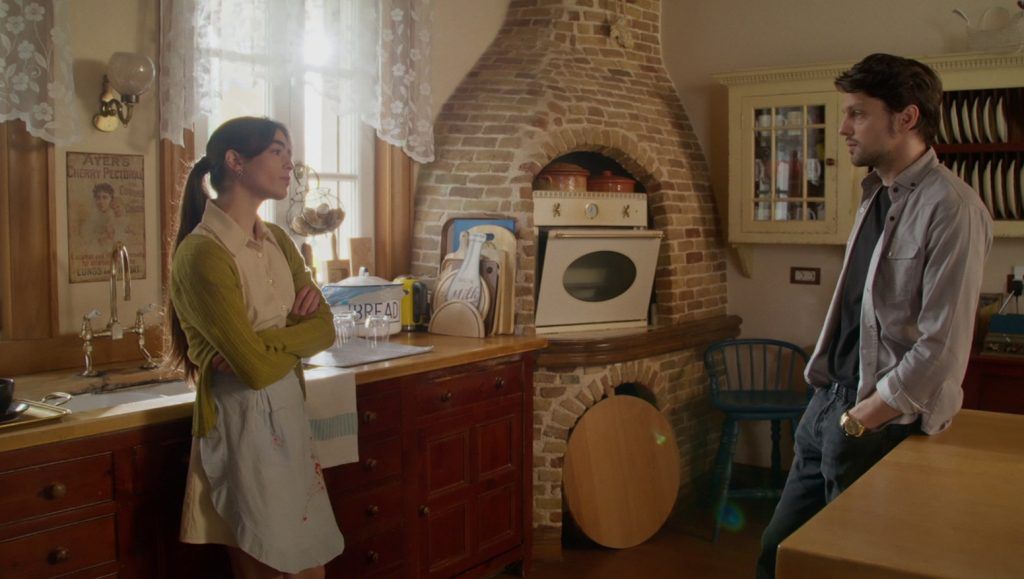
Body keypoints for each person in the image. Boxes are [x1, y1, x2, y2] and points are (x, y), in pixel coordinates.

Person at [756, 54, 992, 579]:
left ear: (906, 118)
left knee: (852, 566)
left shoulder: (953, 208)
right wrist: (830, 408)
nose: (842, 128)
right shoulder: (874, 194)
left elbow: (942, 347)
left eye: (858, 113)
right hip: (827, 405)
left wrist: (863, 418)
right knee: (778, 555)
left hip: (881, 425)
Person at [166, 116, 343, 578]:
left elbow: (325, 328)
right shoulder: (203, 253)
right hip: (241, 427)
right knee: (266, 566)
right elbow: (254, 370)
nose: (289, 165)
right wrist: (279, 344)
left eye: (289, 153)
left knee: (310, 568)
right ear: (235, 161)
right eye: (277, 151)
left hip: (289, 416)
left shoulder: (279, 240)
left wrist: (264, 345)